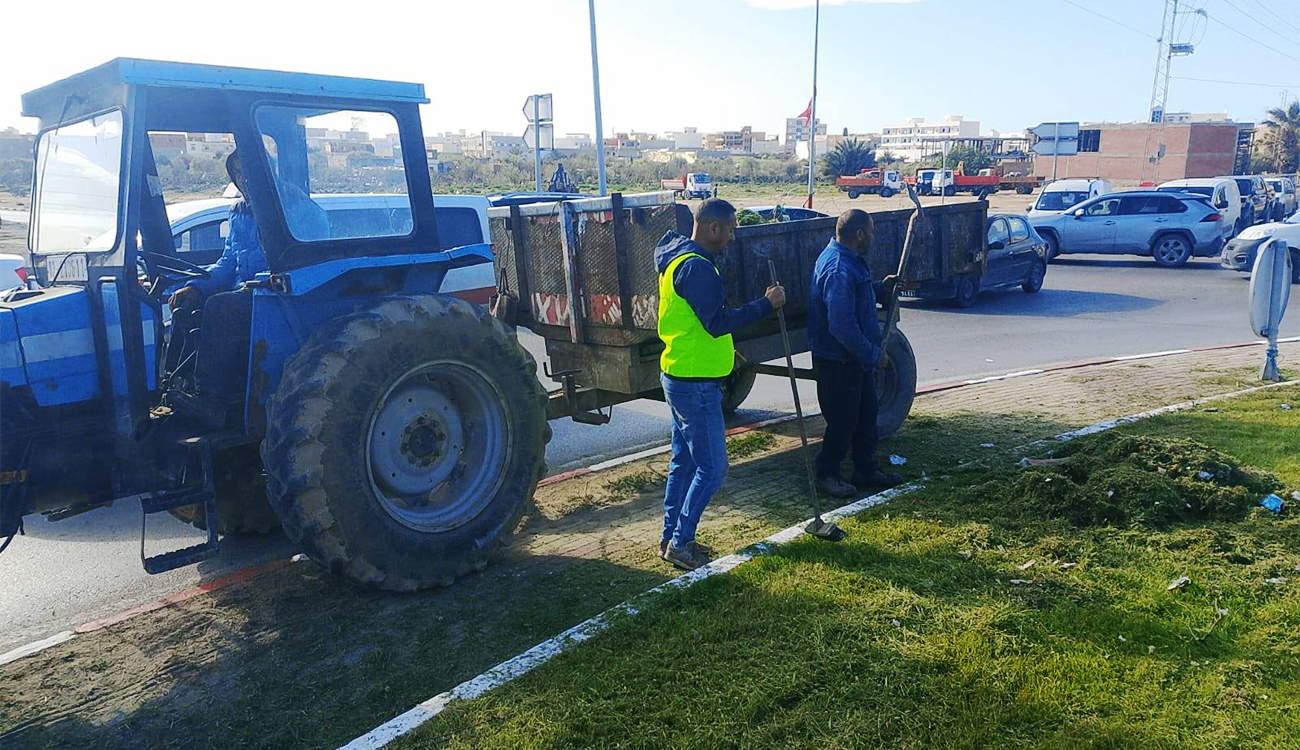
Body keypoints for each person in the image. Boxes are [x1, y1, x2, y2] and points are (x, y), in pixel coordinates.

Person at [653, 198, 786, 571]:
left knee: (683, 461)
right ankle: (680, 543)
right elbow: (716, 321)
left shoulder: (678, 258)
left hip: (681, 373)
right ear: (713, 228)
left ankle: (670, 537)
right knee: (712, 469)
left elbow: (698, 325)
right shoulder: (697, 269)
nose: (732, 237)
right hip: (694, 384)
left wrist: (729, 355)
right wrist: (765, 304)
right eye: (730, 230)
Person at [807, 209, 903, 498]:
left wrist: (878, 289)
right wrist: (874, 355)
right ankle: (827, 474)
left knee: (866, 415)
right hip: (838, 360)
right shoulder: (838, 268)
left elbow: (855, 296)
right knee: (843, 420)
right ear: (859, 234)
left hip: (852, 360)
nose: (873, 236)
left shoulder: (850, 262)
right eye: (871, 231)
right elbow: (841, 326)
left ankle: (865, 470)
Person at [165, 150, 266, 396]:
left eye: (248, 171)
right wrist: (194, 287)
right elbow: (228, 261)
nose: (244, 179)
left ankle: (210, 396)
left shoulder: (295, 209)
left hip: (271, 295)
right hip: (241, 293)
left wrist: (255, 284)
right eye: (238, 173)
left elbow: (294, 263)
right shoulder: (239, 211)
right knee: (183, 305)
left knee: (220, 306)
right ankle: (174, 383)